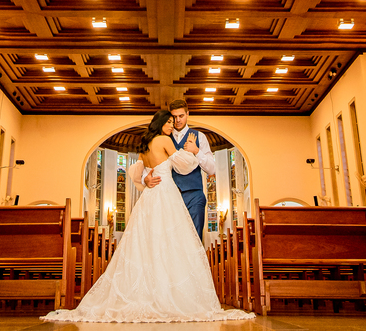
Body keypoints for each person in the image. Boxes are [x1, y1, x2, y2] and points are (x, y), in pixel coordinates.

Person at [41, 109, 253, 323]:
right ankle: (169, 296)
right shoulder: (164, 140)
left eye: (174, 121)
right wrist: (192, 151)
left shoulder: (143, 149)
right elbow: (185, 166)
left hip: (149, 197)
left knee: (147, 245)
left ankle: (147, 293)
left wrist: (145, 182)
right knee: (173, 244)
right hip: (167, 194)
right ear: (160, 124)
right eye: (169, 122)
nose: (172, 126)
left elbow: (138, 175)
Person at [141, 98, 216, 238]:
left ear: (188, 114)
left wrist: (196, 151)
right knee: (170, 240)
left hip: (193, 195)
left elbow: (212, 169)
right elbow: (148, 166)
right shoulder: (161, 138)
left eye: (181, 116)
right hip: (168, 197)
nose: (177, 120)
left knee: (194, 239)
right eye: (174, 117)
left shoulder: (200, 136)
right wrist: (145, 179)